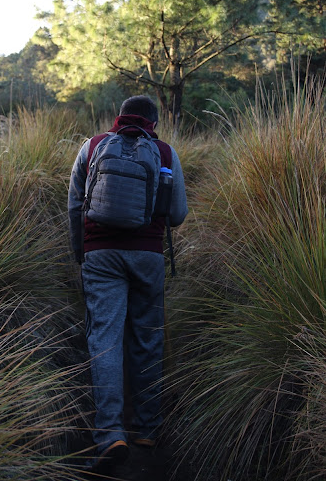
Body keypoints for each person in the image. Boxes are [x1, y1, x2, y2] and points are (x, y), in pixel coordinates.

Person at [68, 95, 188, 473]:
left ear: (118, 117)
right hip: (148, 256)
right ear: (154, 122)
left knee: (104, 338)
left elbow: (74, 205)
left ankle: (110, 435)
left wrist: (81, 253)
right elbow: (178, 214)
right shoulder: (165, 152)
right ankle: (147, 429)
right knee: (147, 339)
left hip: (100, 255)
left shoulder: (92, 146)